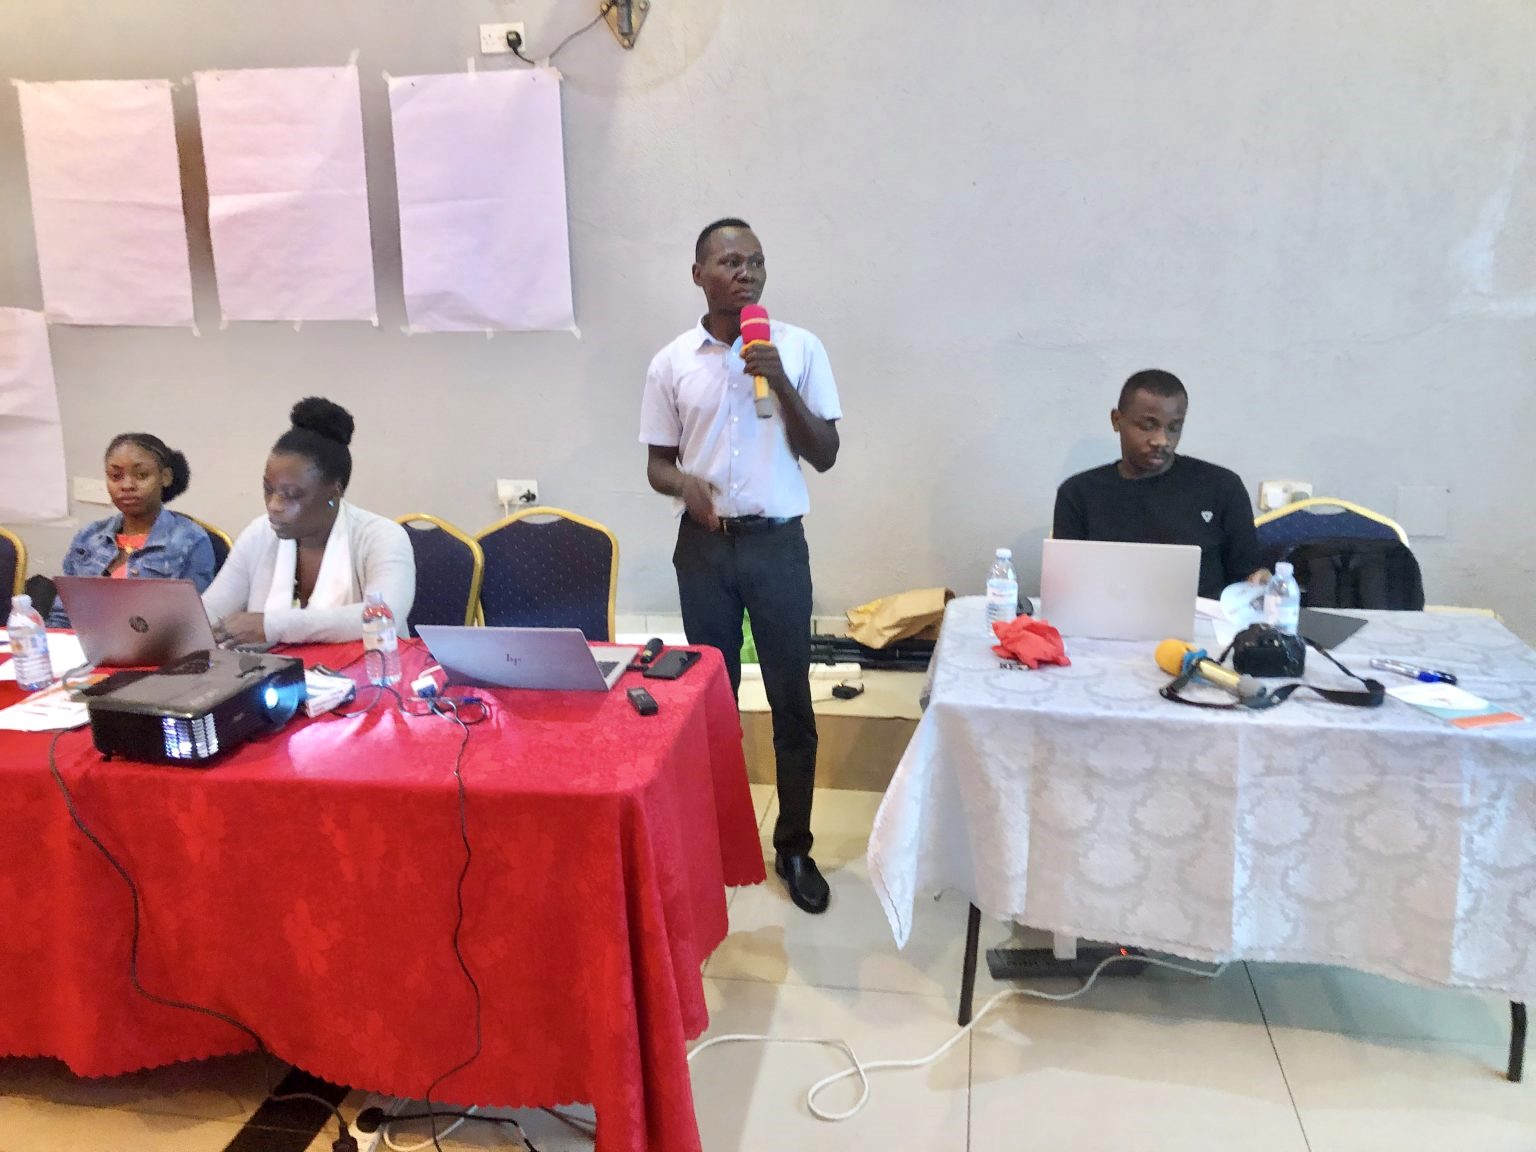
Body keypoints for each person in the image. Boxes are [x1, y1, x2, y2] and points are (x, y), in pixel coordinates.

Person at [640, 218, 843, 915]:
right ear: (698, 273)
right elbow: (656, 465)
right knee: (707, 703)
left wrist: (778, 380)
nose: (746, 272)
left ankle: (794, 845)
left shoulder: (799, 348)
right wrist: (684, 487)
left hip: (778, 546)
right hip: (704, 549)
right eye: (729, 261)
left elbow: (824, 452)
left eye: (756, 261)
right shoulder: (671, 362)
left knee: (792, 699)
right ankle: (714, 842)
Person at [203, 397, 414, 646]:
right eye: (268, 489)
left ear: (333, 493)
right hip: (277, 679)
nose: (274, 505)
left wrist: (271, 626)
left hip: (368, 679)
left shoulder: (381, 536)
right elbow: (211, 610)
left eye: (292, 495)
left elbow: (383, 615)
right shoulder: (261, 533)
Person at [1053, 369, 1267, 598]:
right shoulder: (1079, 493)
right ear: (1117, 420)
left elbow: (1248, 575)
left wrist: (1260, 581)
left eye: (1174, 427)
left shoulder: (1222, 487)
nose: (1161, 440)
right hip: (1104, 625)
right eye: (1147, 425)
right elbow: (1066, 589)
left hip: (1205, 627)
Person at [47, 433, 216, 628]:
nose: (127, 486)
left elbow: (195, 624)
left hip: (158, 652)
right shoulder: (89, 537)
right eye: (116, 476)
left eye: (142, 475)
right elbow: (62, 617)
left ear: (165, 477)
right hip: (84, 650)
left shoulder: (190, 540)